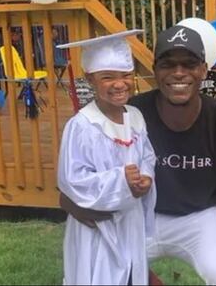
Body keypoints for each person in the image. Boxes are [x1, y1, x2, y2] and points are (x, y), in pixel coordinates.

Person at [60, 24, 216, 285]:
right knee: (100, 271)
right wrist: (71, 203)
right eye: (168, 64)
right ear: (154, 70)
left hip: (199, 217)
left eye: (189, 64)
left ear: (203, 70)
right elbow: (73, 180)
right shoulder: (129, 113)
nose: (179, 73)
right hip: (135, 215)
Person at [56, 29, 157, 285]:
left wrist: (145, 177)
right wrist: (120, 180)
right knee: (98, 275)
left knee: (132, 273)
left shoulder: (135, 116)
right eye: (107, 77)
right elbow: (72, 179)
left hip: (129, 220)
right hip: (97, 226)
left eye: (125, 75)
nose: (119, 83)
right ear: (90, 79)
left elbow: (147, 156)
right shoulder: (82, 125)